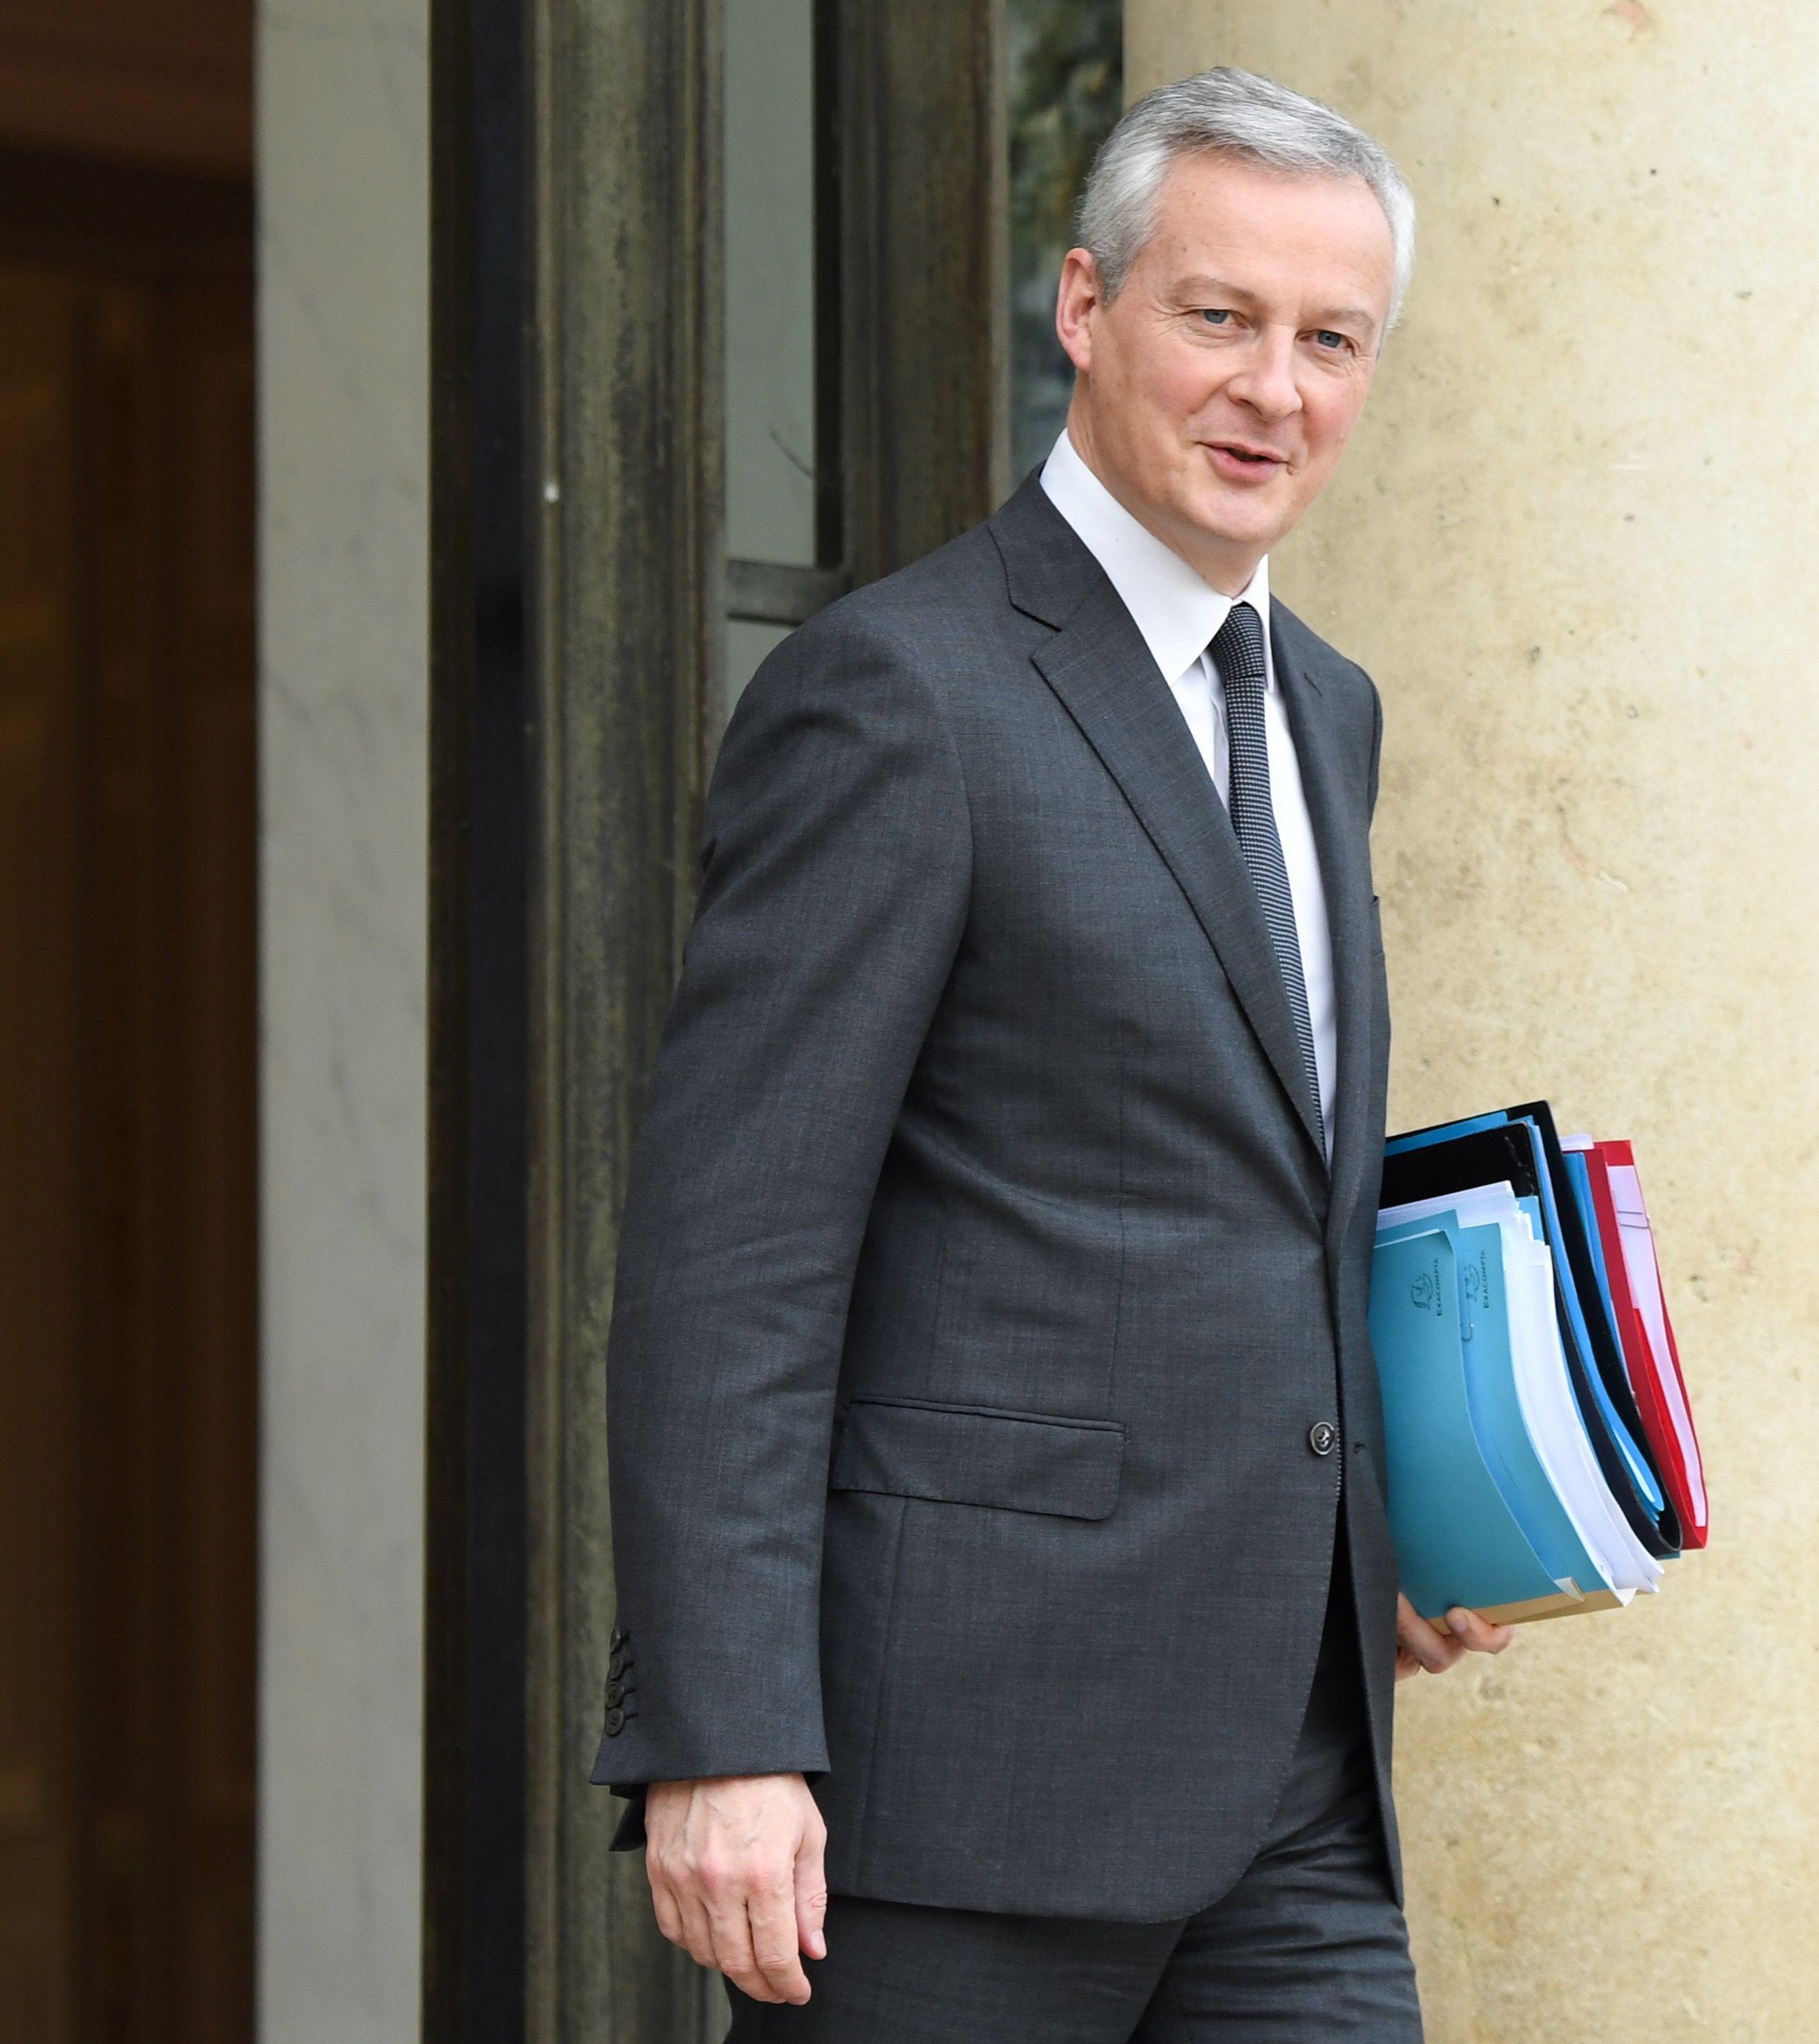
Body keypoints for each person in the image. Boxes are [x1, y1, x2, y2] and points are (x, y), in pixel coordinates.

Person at [591, 68, 1511, 2040]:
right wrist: (722, 1732)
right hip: (950, 1789)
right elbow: (731, 1257)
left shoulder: (1325, 706)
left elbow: (1248, 1187)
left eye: (1331, 341)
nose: (1273, 389)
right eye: (1219, 316)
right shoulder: (896, 692)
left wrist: (1378, 1512)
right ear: (1085, 307)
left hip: (1293, 1784)